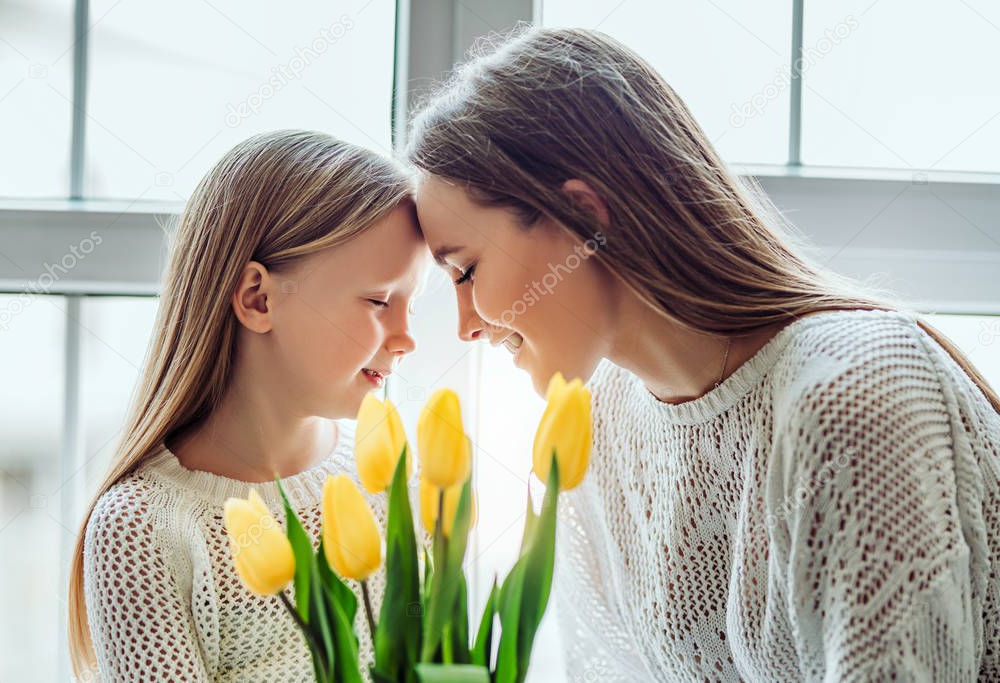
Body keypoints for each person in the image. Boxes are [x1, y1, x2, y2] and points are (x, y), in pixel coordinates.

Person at [407, 26, 1000, 681]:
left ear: (583, 217)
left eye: (465, 271)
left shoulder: (853, 391)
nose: (465, 325)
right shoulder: (599, 426)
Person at [67, 130, 425, 681]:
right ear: (258, 297)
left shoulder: (395, 480)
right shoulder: (141, 530)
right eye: (379, 300)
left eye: (411, 305)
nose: (405, 338)